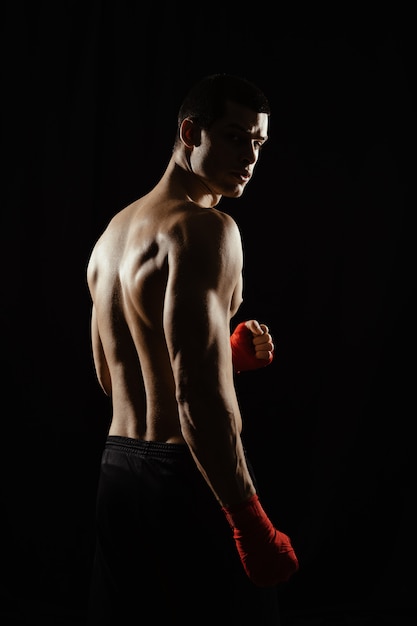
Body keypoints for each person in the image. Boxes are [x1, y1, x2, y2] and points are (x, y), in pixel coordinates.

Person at [86, 73, 298, 625]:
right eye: (234, 137)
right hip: (186, 480)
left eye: (259, 142)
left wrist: (225, 353)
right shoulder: (207, 229)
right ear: (190, 131)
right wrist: (251, 525)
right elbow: (199, 395)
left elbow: (113, 376)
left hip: (118, 474)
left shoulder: (111, 236)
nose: (250, 155)